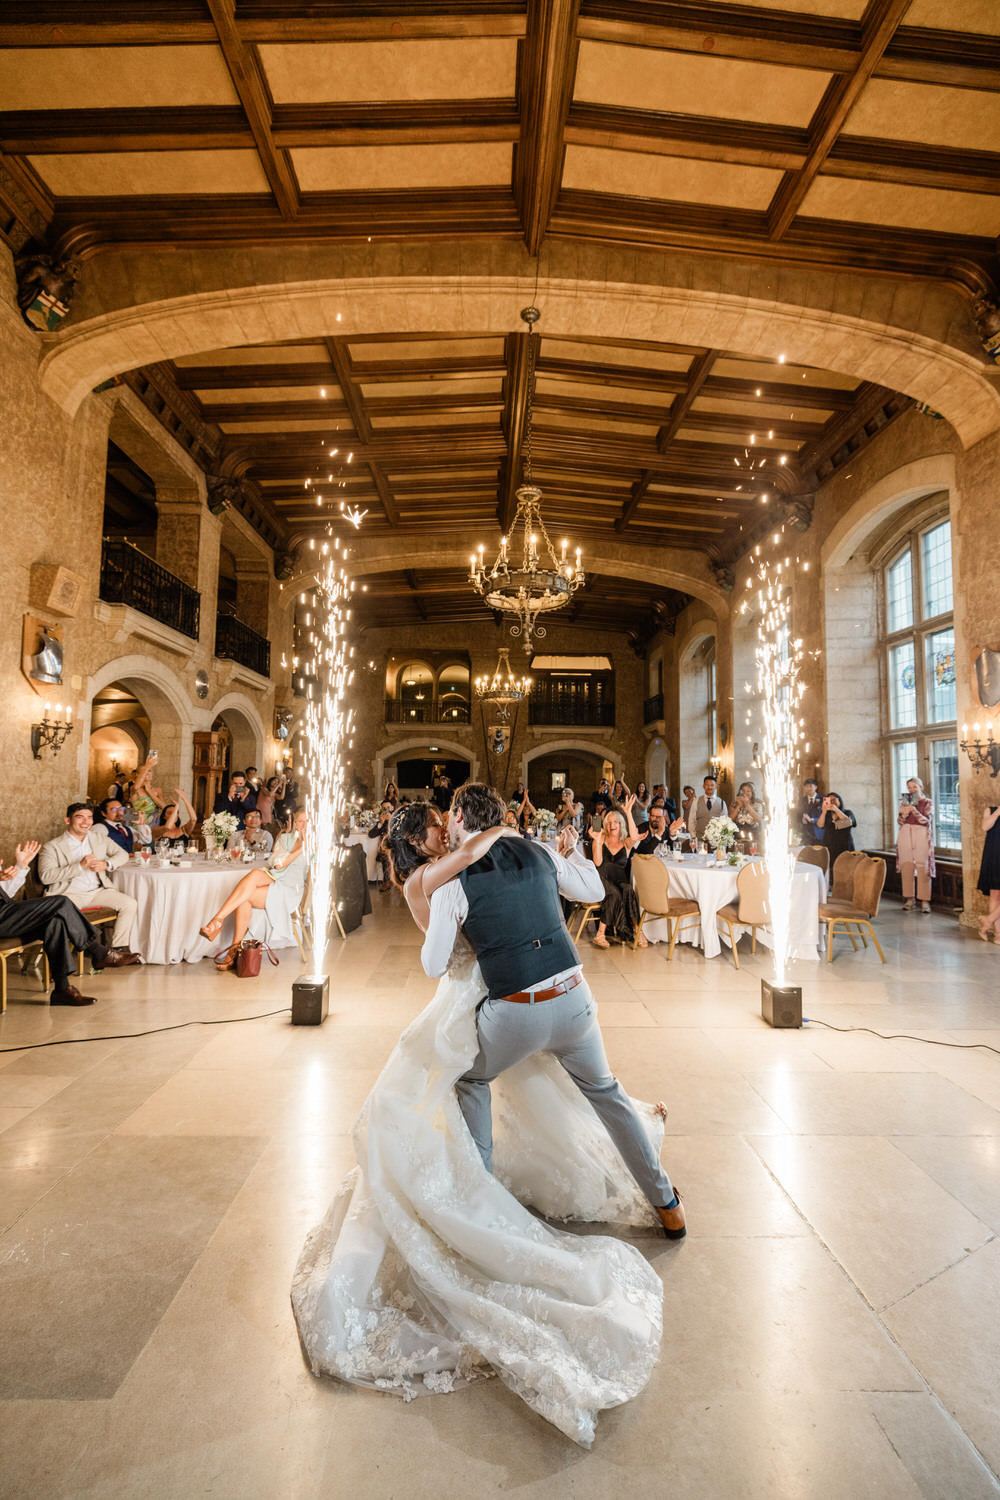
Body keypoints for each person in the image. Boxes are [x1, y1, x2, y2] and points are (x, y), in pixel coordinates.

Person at [291, 800, 671, 1445]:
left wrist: (508, 845)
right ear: (423, 837)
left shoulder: (454, 874)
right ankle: (494, 1193)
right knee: (540, 1074)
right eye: (436, 825)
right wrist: (507, 835)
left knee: (519, 1076)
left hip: (498, 995)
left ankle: (489, 1182)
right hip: (500, 991)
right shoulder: (433, 878)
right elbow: (444, 950)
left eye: (449, 819)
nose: (445, 827)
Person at [0, 836, 139, 1004]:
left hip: (7, 912)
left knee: (55, 922)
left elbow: (7, 893)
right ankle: (100, 952)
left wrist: (21, 867)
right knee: (61, 901)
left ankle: (62, 989)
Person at [199, 810, 309, 968]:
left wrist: (304, 847)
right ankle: (219, 923)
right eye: (300, 821)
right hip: (275, 877)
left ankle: (230, 946)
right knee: (254, 874)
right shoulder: (285, 838)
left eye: (307, 821)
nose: (303, 825)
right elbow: (277, 863)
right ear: (295, 823)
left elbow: (301, 869)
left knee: (245, 897)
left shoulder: (316, 844)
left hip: (290, 889)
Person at [38, 803, 141, 956]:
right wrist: (79, 866)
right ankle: (75, 956)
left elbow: (123, 854)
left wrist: (106, 864)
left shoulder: (98, 839)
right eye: (80, 817)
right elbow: (46, 877)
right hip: (69, 896)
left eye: (89, 818)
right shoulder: (52, 847)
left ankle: (119, 950)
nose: (85, 822)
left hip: (97, 892)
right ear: (68, 820)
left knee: (129, 903)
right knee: (60, 917)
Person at [591, 795, 645, 948]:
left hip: (620, 880)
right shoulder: (600, 838)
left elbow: (635, 836)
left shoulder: (625, 842)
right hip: (602, 880)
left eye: (615, 822)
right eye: (608, 822)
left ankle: (637, 929)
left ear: (621, 825)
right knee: (614, 894)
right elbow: (597, 862)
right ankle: (600, 934)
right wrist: (597, 841)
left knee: (628, 889)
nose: (612, 825)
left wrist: (628, 812)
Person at [896, 777, 935, 913]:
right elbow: (900, 821)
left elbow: (926, 821)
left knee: (922, 866)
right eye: (909, 787)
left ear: (921, 787)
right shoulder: (905, 802)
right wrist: (904, 814)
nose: (912, 790)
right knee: (907, 865)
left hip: (921, 833)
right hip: (906, 831)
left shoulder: (928, 802)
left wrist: (914, 810)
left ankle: (925, 900)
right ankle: (909, 899)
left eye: (914, 787)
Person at [977, 804, 1000, 942]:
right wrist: (998, 812)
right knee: (995, 897)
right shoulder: (990, 810)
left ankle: (987, 921)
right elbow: (985, 827)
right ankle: (998, 934)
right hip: (994, 857)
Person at [815, 792, 857, 865]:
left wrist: (836, 810)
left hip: (845, 847)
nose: (831, 802)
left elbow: (849, 822)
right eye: (829, 801)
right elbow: (819, 825)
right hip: (830, 847)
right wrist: (824, 812)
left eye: (834, 800)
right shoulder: (827, 815)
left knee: (846, 869)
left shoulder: (847, 812)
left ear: (839, 801)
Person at [369, 800, 394, 890]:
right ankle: (387, 881)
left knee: (387, 853)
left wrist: (391, 820)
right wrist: (380, 823)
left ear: (392, 808)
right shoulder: (381, 821)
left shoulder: (397, 819)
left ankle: (387, 881)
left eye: (388, 808)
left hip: (396, 848)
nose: (386, 810)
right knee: (385, 854)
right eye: (384, 808)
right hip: (385, 850)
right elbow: (371, 835)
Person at [691, 776, 723, 840]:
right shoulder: (696, 801)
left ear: (716, 787)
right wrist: (693, 836)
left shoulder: (722, 802)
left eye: (712, 785)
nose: (710, 787)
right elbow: (692, 820)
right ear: (703, 786)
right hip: (699, 838)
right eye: (707, 785)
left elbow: (724, 822)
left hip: (716, 839)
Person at [796, 778, 823, 844]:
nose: (808, 788)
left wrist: (812, 819)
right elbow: (798, 814)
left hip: (818, 833)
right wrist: (802, 819)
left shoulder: (822, 799)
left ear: (816, 787)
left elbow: (825, 815)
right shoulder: (802, 800)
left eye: (810, 786)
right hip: (805, 834)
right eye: (806, 786)